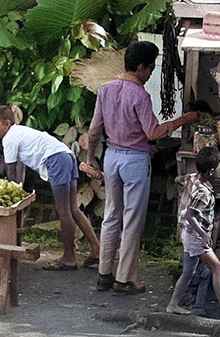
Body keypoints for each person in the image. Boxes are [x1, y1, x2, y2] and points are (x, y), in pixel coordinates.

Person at [87, 41, 203, 295]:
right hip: (135, 160)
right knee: (132, 221)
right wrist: (183, 120)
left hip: (112, 157)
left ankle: (104, 275)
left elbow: (94, 131)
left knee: (111, 217)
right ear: (140, 67)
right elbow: (153, 132)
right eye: (150, 69)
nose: (150, 74)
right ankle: (125, 279)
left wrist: (90, 158)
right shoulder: (139, 95)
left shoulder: (105, 90)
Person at [0, 105, 100, 270]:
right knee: (73, 208)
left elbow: (11, 174)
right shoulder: (20, 131)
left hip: (55, 159)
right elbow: (19, 171)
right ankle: (97, 249)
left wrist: (11, 196)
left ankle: (69, 257)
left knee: (64, 210)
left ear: (6, 123)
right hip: (66, 155)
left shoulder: (9, 137)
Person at [166, 147, 220, 318]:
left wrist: (180, 180)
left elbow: (178, 179)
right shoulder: (203, 192)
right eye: (219, 167)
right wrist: (203, 235)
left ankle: (172, 305)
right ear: (211, 171)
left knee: (188, 272)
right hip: (196, 237)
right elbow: (190, 214)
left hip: (187, 234)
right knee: (218, 267)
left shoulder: (192, 178)